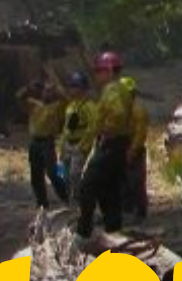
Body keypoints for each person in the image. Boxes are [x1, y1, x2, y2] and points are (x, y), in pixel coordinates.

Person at [77, 52, 136, 237]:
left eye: (99, 71)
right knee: (109, 190)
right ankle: (113, 230)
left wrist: (106, 132)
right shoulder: (122, 89)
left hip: (111, 145)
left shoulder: (111, 90)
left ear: (109, 70)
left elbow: (117, 114)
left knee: (87, 186)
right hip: (120, 145)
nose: (97, 75)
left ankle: (83, 231)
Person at [23, 77, 69, 208]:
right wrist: (29, 87)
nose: (47, 93)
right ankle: (42, 202)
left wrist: (58, 89)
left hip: (47, 143)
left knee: (53, 172)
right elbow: (18, 97)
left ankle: (66, 197)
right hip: (34, 142)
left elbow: (67, 100)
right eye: (45, 90)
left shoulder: (57, 106)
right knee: (35, 174)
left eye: (50, 91)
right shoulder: (33, 104)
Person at [59, 71, 94, 204]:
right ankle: (68, 200)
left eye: (76, 86)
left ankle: (80, 199)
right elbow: (66, 128)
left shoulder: (89, 107)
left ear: (83, 88)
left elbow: (92, 127)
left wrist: (84, 145)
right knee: (64, 175)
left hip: (80, 145)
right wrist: (61, 147)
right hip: (68, 145)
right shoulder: (70, 106)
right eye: (71, 86)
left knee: (75, 174)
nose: (72, 89)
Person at [122, 74, 151, 223]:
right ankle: (126, 209)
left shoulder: (138, 111)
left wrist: (132, 150)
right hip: (121, 148)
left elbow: (140, 133)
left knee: (136, 181)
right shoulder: (120, 111)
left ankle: (140, 212)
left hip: (134, 149)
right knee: (122, 181)